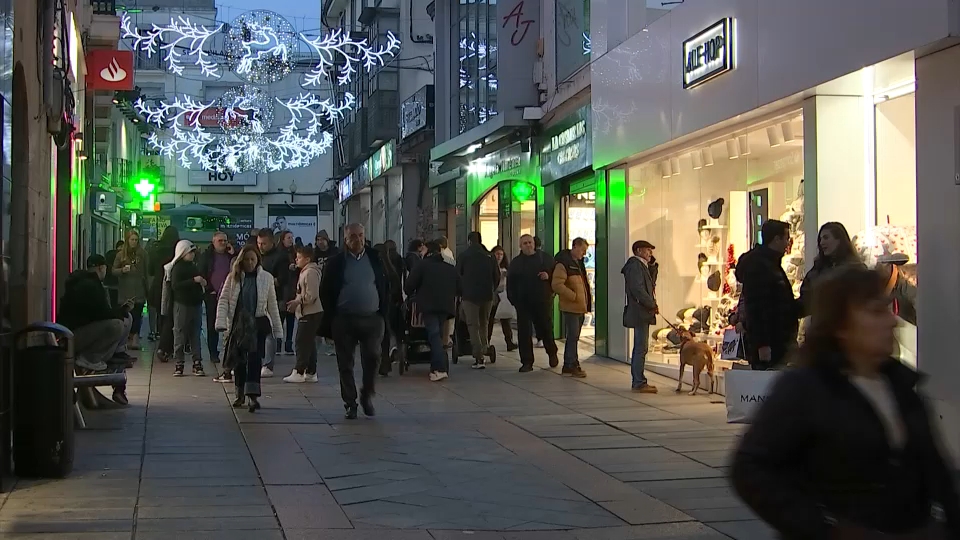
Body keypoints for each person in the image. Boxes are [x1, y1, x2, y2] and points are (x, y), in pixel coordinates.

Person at [731, 265, 960, 538]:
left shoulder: (901, 387)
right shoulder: (806, 389)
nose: (891, 321)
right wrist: (822, 528)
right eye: (875, 311)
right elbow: (750, 467)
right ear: (841, 325)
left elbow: (937, 472)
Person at [319, 223, 388, 419]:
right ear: (345, 240)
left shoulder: (376, 258)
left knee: (373, 358)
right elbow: (326, 290)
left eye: (360, 235)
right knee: (345, 363)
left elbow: (385, 283)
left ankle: (367, 393)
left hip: (372, 318)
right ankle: (350, 402)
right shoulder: (337, 262)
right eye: (352, 237)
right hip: (345, 319)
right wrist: (333, 316)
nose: (357, 240)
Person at [57, 254, 132, 405]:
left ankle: (117, 352)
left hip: (76, 333)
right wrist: (121, 311)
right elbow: (101, 313)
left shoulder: (88, 283)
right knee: (117, 325)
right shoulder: (90, 286)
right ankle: (90, 359)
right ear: (101, 268)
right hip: (73, 336)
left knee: (125, 318)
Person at [216, 245, 283, 412]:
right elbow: (224, 300)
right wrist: (221, 322)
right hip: (239, 324)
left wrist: (277, 329)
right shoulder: (233, 278)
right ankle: (239, 393)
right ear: (241, 260)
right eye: (247, 259)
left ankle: (253, 396)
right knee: (239, 361)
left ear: (258, 260)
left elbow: (272, 304)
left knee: (254, 360)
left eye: (253, 259)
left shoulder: (266, 278)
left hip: (258, 323)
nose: (250, 262)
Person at [735, 219, 800, 371]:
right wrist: (762, 344)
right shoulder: (761, 266)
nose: (787, 243)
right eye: (786, 238)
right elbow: (757, 307)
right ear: (776, 239)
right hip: (772, 344)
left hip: (778, 342)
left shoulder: (770, 264)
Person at [405, 240, 459, 382]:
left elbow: (409, 285)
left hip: (428, 306)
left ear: (428, 250)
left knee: (434, 335)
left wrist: (411, 294)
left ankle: (439, 368)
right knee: (439, 335)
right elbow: (460, 287)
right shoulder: (450, 267)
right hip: (446, 306)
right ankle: (438, 366)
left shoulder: (422, 265)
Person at [507, 234, 560, 372]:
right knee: (524, 332)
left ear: (534, 243)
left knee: (545, 328)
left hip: (542, 301)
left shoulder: (545, 259)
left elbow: (557, 275)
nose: (528, 245)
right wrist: (514, 300)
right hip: (523, 303)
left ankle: (552, 352)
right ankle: (527, 362)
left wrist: (548, 276)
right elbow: (510, 283)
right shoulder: (516, 263)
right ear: (520, 246)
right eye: (525, 243)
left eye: (530, 242)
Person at [798, 222, 863, 316]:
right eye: (820, 239)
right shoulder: (818, 269)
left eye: (826, 237)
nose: (822, 242)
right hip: (822, 325)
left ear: (839, 240)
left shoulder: (855, 269)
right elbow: (806, 299)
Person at [456, 231, 500, 369]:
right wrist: (491, 289)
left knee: (472, 325)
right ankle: (485, 347)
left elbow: (457, 275)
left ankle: (479, 356)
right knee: (484, 323)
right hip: (487, 295)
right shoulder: (490, 256)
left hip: (469, 296)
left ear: (469, 241)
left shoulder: (464, 256)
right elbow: (497, 276)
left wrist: (460, 292)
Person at [198, 231, 237, 378]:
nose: (223, 243)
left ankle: (229, 351)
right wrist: (209, 290)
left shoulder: (230, 255)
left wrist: (234, 254)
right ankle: (213, 352)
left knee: (230, 324)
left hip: (229, 293)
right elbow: (202, 273)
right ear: (213, 242)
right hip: (213, 294)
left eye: (225, 240)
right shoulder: (207, 256)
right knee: (212, 324)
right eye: (220, 241)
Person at [622, 240, 659, 393]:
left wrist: (653, 267)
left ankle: (639, 380)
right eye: (647, 250)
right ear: (638, 251)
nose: (650, 253)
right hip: (640, 311)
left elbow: (650, 283)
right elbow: (638, 289)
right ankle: (639, 381)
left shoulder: (642, 266)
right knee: (640, 347)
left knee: (641, 346)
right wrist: (651, 303)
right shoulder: (635, 266)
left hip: (642, 310)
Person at [552, 238, 591, 378]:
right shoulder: (564, 264)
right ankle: (570, 364)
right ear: (575, 247)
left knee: (574, 337)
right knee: (572, 337)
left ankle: (572, 363)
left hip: (579, 306)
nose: (584, 254)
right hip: (571, 307)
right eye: (583, 250)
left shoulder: (578, 264)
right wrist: (573, 296)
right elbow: (557, 284)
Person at [283, 246, 323, 383]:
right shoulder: (306, 272)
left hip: (310, 312)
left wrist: (298, 302)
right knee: (309, 342)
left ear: (307, 259)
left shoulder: (310, 273)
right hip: (308, 311)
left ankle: (299, 371)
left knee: (301, 341)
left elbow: (311, 295)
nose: (296, 260)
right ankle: (311, 371)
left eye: (299, 257)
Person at [167, 240, 206, 377]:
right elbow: (175, 285)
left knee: (195, 334)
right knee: (180, 333)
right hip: (182, 304)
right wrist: (193, 281)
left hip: (195, 303)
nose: (192, 255)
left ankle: (197, 362)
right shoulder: (178, 268)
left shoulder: (193, 266)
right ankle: (179, 362)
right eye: (190, 252)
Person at [257, 228, 289, 377]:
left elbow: (281, 280)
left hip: (275, 298)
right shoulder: (257, 256)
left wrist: (265, 282)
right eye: (258, 243)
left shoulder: (280, 257)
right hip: (258, 298)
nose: (260, 246)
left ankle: (268, 365)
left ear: (271, 242)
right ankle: (258, 359)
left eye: (263, 244)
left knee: (271, 332)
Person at [113, 230, 148, 352]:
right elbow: (113, 271)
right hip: (125, 290)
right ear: (127, 240)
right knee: (126, 315)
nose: (134, 242)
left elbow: (146, 271)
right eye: (132, 239)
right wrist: (122, 270)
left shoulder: (142, 254)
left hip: (138, 289)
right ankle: (126, 338)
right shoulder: (121, 255)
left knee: (137, 315)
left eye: (136, 240)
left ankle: (135, 338)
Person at [149, 226, 179, 357]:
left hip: (157, 285)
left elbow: (150, 270)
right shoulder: (177, 250)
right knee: (172, 317)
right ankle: (168, 345)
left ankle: (162, 340)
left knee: (161, 315)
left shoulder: (156, 250)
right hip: (173, 285)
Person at [374, 242, 404, 377]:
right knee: (385, 336)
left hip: (375, 307)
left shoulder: (374, 271)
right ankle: (385, 363)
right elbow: (397, 290)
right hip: (390, 307)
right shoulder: (391, 270)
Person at [313, 231, 339, 356]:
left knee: (330, 316)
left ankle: (331, 343)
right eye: (318, 240)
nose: (320, 242)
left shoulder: (335, 253)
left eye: (322, 239)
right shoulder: (314, 254)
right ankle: (317, 343)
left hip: (330, 287)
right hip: (317, 287)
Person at [489, 246, 517, 351]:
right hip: (493, 296)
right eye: (497, 254)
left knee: (506, 319)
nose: (499, 256)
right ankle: (487, 342)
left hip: (503, 296)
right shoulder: (490, 267)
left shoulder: (506, 268)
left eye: (501, 254)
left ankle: (509, 341)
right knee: (490, 320)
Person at [278, 230, 299, 356]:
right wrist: (288, 268)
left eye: (292, 237)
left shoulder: (294, 252)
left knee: (291, 319)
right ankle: (278, 344)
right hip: (282, 290)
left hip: (292, 289)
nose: (291, 240)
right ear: (283, 239)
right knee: (280, 318)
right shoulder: (279, 253)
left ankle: (288, 344)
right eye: (288, 238)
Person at [104, 240, 124, 310]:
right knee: (119, 305)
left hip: (108, 283)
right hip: (118, 285)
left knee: (111, 304)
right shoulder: (122, 256)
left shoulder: (108, 254)